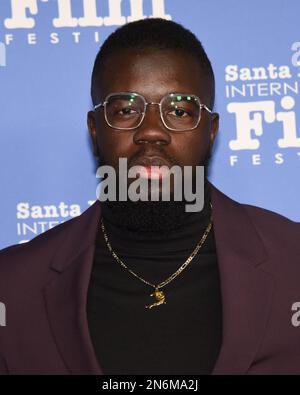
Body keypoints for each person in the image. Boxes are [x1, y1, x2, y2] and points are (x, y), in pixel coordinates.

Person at [0, 18, 300, 376]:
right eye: (126, 110)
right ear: (95, 130)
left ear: (211, 130)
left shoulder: (292, 263)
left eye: (179, 110)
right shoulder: (13, 285)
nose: (152, 131)